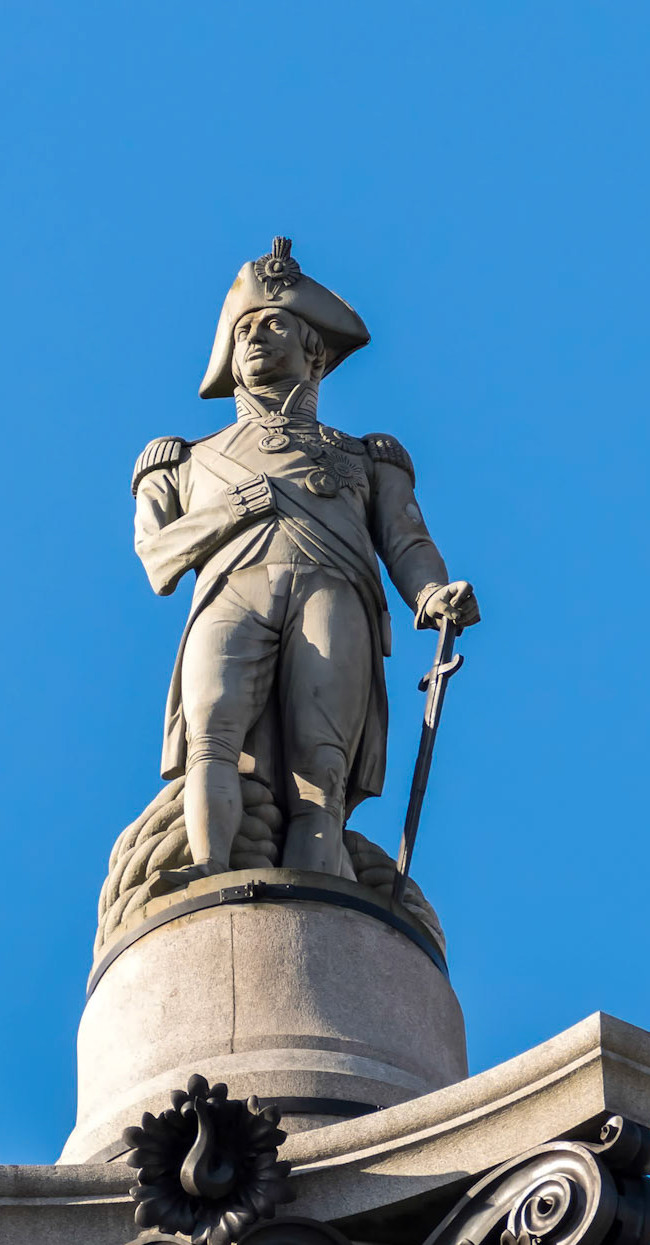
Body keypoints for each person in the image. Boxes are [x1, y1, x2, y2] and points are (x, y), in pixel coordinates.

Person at [132, 238, 478, 879]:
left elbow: (406, 539)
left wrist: (431, 596)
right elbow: (157, 559)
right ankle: (210, 873)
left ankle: (321, 895)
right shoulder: (182, 459)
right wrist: (231, 511)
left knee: (322, 766)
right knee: (212, 738)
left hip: (334, 590)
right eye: (244, 331)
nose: (257, 338)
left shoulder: (368, 456)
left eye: (274, 323)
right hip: (230, 590)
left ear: (312, 349)